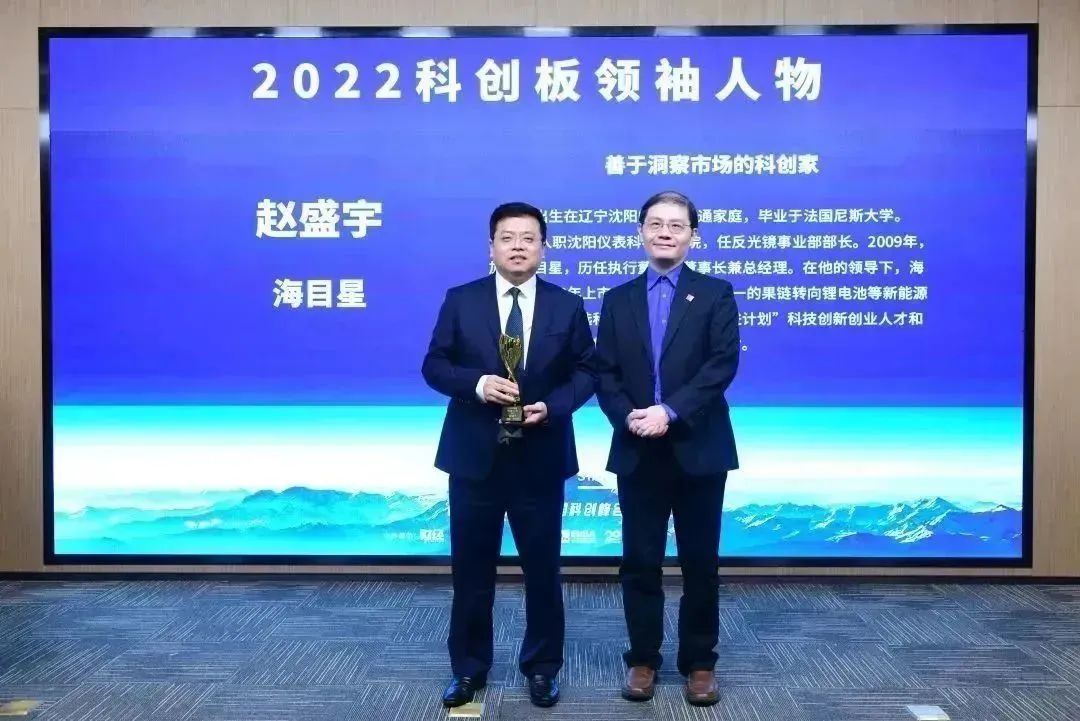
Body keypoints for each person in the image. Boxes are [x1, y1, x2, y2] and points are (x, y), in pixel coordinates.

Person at [421, 201, 596, 709]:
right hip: (474, 458)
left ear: (543, 248)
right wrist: (476, 384)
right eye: (507, 237)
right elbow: (434, 365)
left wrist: (554, 407)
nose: (518, 246)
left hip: (540, 457)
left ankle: (542, 668)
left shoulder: (567, 305)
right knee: (471, 571)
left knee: (543, 571)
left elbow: (588, 371)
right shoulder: (461, 300)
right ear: (491, 246)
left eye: (528, 238)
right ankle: (468, 668)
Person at [595, 190, 740, 707]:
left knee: (700, 562)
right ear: (640, 232)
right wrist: (629, 416)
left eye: (676, 225)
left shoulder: (716, 293)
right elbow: (604, 371)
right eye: (655, 223)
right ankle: (643, 659)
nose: (665, 232)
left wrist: (670, 411)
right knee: (640, 561)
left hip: (698, 445)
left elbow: (721, 366)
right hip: (638, 446)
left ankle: (700, 663)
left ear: (692, 236)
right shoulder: (618, 299)